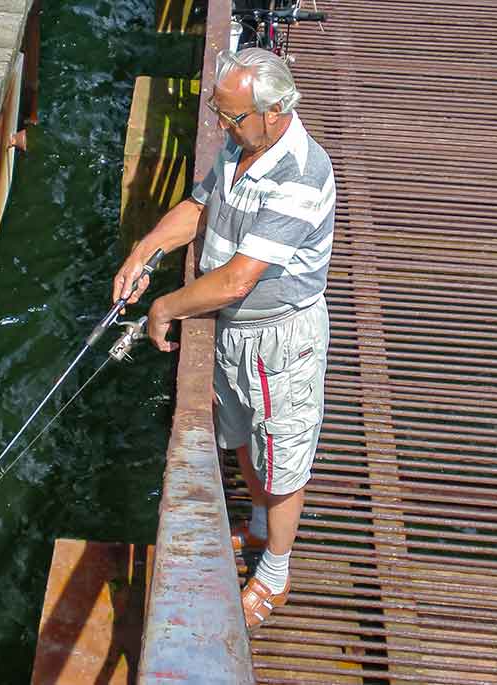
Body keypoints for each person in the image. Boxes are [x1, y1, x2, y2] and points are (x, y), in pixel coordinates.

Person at [112, 47, 334, 631]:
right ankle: (260, 528)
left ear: (277, 111)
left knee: (283, 456)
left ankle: (275, 574)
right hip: (230, 332)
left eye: (231, 116)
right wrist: (147, 250)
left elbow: (237, 280)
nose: (221, 126)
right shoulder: (243, 143)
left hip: (279, 340)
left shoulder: (302, 177)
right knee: (240, 433)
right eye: (218, 112)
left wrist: (164, 306)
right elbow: (197, 206)